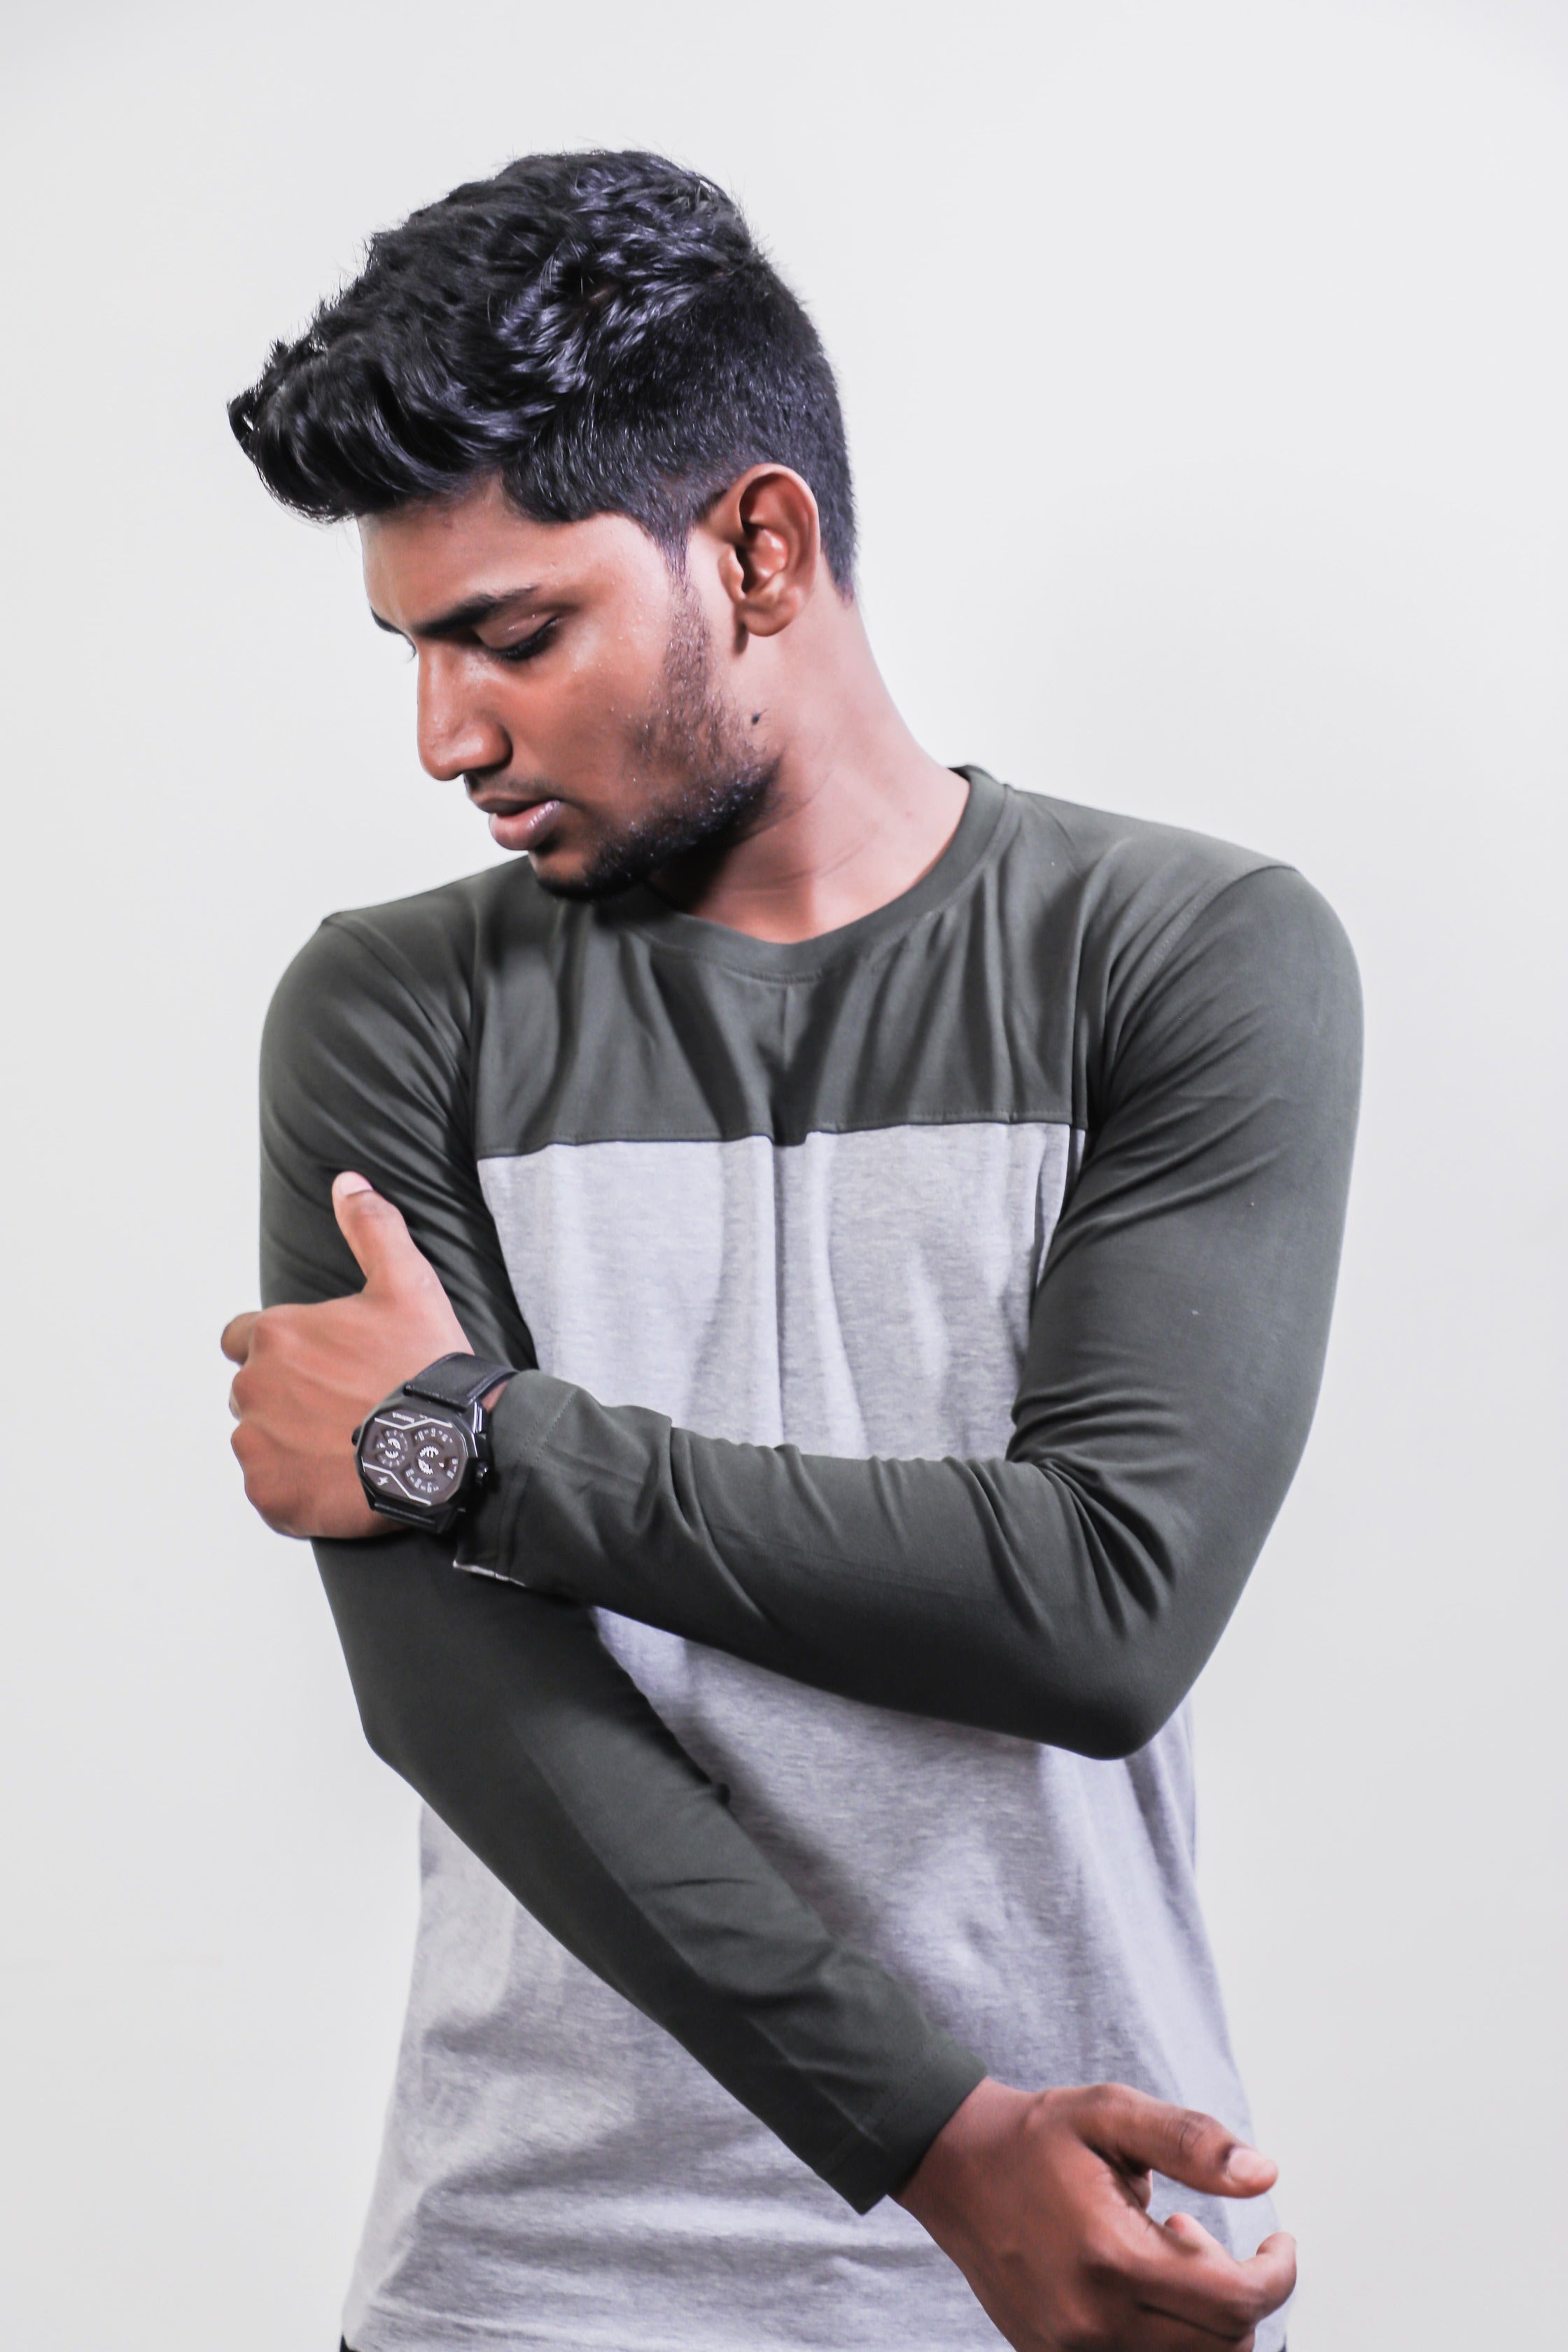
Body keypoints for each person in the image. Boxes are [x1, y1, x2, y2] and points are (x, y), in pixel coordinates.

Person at [220, 150, 1359, 2352]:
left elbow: (1100, 1607)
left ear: (759, 549)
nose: (447, 736)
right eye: (414, 650)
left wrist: (469, 1442)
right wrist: (937, 2143)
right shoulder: (392, 1010)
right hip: (531, 2281)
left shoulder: (1188, 954)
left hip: (1094, 2250)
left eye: (513, 636)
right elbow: (468, 1701)